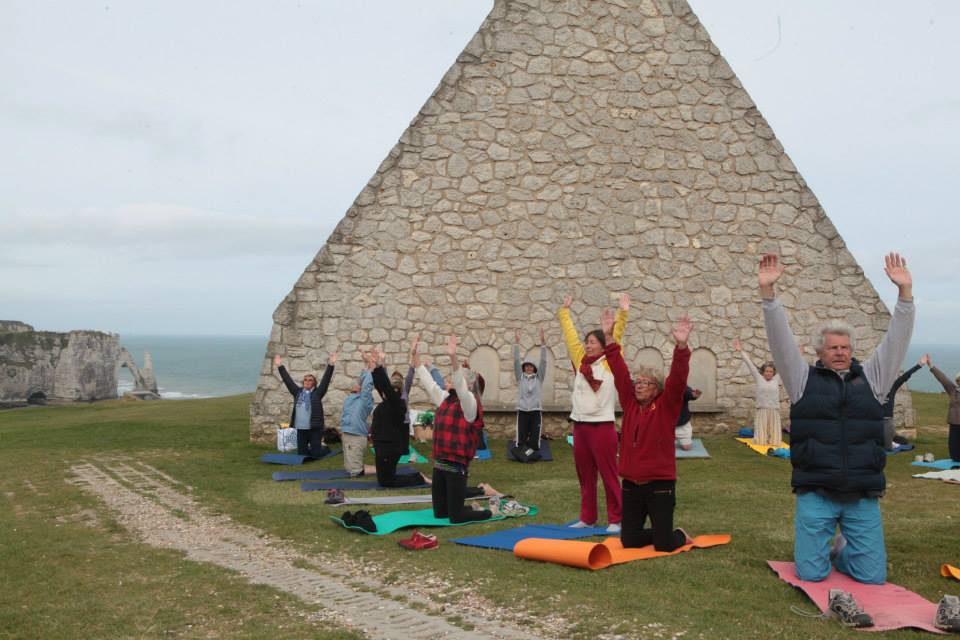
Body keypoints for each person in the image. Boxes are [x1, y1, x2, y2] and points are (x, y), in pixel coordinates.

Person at [759, 252, 949, 628]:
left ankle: (843, 549)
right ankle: (823, 546)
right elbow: (780, 342)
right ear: (820, 353)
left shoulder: (874, 380)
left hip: (862, 493)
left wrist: (905, 294)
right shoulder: (801, 380)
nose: (841, 352)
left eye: (846, 347)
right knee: (812, 575)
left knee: (871, 577)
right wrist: (769, 292)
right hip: (817, 491)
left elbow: (896, 341)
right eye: (833, 347)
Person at [604, 307, 694, 551]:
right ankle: (661, 532)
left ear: (657, 388)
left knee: (664, 545)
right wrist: (610, 339)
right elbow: (620, 372)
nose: (639, 385)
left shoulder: (666, 406)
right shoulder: (631, 404)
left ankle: (676, 535)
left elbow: (677, 379)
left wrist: (682, 348)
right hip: (632, 484)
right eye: (638, 382)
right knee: (629, 541)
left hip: (660, 484)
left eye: (646, 383)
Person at [558, 293, 628, 533]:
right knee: (585, 477)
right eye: (587, 342)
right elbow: (570, 339)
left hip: (602, 426)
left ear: (602, 344)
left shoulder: (608, 361)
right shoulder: (581, 361)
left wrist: (622, 314)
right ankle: (587, 517)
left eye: (593, 342)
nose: (588, 345)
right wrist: (565, 313)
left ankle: (616, 519)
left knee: (609, 475)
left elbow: (615, 339)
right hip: (580, 426)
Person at [416, 334, 492, 523]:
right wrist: (415, 358)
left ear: (469, 385)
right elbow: (428, 383)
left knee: (455, 517)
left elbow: (460, 385)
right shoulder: (445, 400)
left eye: (452, 378)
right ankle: (468, 505)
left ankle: (489, 512)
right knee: (440, 514)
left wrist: (453, 358)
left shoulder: (470, 405)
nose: (448, 380)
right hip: (439, 466)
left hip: (456, 468)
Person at [369, 346, 430, 487]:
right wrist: (373, 368)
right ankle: (414, 476)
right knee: (383, 480)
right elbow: (381, 385)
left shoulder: (398, 403)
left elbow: (386, 385)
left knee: (387, 482)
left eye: (388, 390)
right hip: (382, 444)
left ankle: (418, 478)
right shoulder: (387, 402)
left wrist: (379, 366)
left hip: (389, 446)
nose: (383, 392)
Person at [274, 351, 337, 458]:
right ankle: (312, 447)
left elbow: (326, 380)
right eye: (305, 380)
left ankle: (325, 448)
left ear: (314, 383)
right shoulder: (297, 392)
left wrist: (331, 364)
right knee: (302, 454)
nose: (307, 381)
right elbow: (287, 380)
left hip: (314, 429)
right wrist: (280, 366)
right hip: (301, 429)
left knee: (316, 454)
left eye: (310, 380)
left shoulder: (317, 393)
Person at [733, 339, 784, 445]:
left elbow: (786, 365)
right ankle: (761, 438)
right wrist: (740, 350)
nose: (769, 373)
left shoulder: (776, 379)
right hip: (762, 409)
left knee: (775, 442)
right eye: (767, 371)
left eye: (771, 371)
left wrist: (798, 355)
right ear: (763, 372)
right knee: (760, 441)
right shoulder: (759, 378)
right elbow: (749, 364)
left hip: (774, 410)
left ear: (773, 373)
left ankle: (773, 439)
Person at [339, 350, 376, 477]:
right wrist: (366, 364)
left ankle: (382, 469)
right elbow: (362, 379)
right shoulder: (352, 397)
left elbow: (366, 384)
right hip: (347, 434)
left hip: (355, 436)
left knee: (355, 471)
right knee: (349, 469)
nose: (356, 384)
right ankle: (382, 467)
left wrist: (371, 365)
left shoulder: (365, 400)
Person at [513, 327, 548, 458]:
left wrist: (543, 344)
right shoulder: (520, 377)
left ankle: (532, 449)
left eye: (531, 366)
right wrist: (516, 343)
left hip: (535, 410)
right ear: (524, 368)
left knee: (534, 444)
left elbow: (543, 362)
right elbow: (516, 361)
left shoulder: (539, 378)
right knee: (521, 442)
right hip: (522, 410)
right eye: (526, 366)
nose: (528, 367)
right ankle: (522, 449)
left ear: (534, 368)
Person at [880, 355, 927, 450]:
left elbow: (905, 376)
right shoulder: (874, 389)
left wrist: (919, 365)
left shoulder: (892, 387)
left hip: (887, 422)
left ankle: (892, 441)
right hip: (874, 422)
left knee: (890, 446)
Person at [928, 354, 960, 462]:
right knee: (954, 452)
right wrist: (931, 367)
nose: (959, 382)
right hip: (954, 423)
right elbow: (943, 379)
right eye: (958, 380)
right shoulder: (953, 390)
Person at [675, 386, 701, 451]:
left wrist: (695, 394)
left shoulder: (685, 388)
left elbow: (691, 395)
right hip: (666, 423)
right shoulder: (664, 386)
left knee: (687, 447)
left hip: (682, 422)